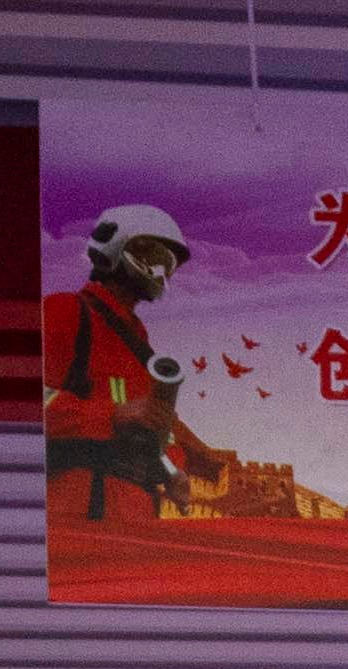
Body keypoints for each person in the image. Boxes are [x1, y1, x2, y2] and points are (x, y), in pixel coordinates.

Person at [40, 203, 216, 527]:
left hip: (139, 520)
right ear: (114, 247)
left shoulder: (142, 351)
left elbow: (158, 429)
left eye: (168, 264)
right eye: (152, 256)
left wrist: (173, 471)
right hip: (77, 513)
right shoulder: (66, 312)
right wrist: (113, 414)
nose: (160, 271)